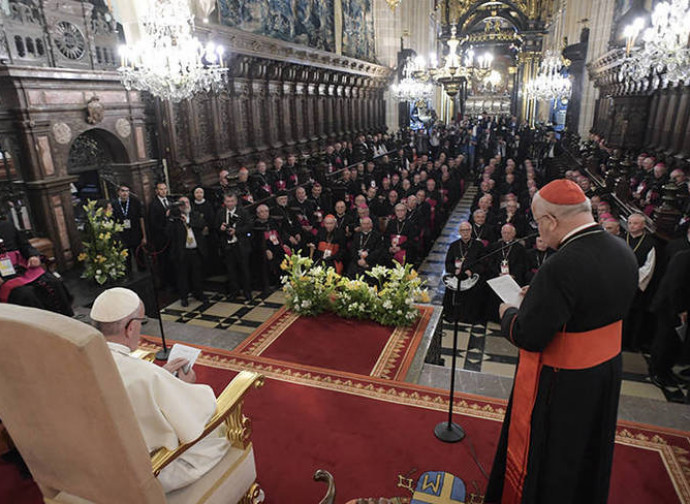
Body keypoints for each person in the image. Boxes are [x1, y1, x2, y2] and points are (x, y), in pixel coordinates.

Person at [485, 179, 638, 504]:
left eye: (539, 222)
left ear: (551, 221)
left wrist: (509, 311)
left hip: (562, 384)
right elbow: (587, 307)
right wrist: (540, 298)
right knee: (588, 451)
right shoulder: (621, 248)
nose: (539, 231)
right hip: (604, 372)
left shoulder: (561, 264)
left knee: (555, 458)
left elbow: (529, 335)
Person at [90, 287, 228, 492]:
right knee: (219, 436)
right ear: (129, 328)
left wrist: (161, 375)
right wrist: (184, 385)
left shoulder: (81, 361)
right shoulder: (146, 374)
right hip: (147, 473)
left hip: (96, 467)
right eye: (141, 322)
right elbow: (197, 414)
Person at [0, 218, 73, 315]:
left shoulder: (7, 225)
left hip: (20, 270)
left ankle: (65, 321)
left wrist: (33, 256)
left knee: (52, 282)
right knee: (25, 294)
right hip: (3, 279)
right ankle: (40, 328)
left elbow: (25, 246)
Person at [648, 249, 690, 387]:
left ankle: (666, 371)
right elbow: (675, 286)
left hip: (678, 308)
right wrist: (681, 309)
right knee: (664, 341)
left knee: (673, 343)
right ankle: (657, 373)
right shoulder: (684, 257)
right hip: (670, 307)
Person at [442, 221, 486, 324]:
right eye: (463, 230)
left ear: (471, 231)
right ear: (459, 232)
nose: (465, 232)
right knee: (450, 289)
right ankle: (452, 315)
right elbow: (448, 262)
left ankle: (468, 317)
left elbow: (483, 263)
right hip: (457, 275)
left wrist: (471, 271)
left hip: (471, 276)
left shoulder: (478, 245)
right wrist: (454, 270)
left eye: (467, 230)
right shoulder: (454, 245)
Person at [166, 197, 207, 307]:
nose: (185, 205)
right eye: (182, 203)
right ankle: (184, 297)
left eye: (187, 202)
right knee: (182, 276)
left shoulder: (195, 214)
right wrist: (169, 218)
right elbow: (168, 234)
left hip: (195, 251)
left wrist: (187, 221)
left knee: (197, 274)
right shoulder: (175, 218)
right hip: (182, 252)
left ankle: (198, 293)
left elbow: (201, 224)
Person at [215, 193, 253, 302]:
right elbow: (216, 228)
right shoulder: (220, 213)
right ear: (224, 202)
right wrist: (221, 229)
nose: (230, 203)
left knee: (244, 270)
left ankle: (247, 292)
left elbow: (249, 226)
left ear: (236, 202)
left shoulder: (243, 212)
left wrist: (236, 231)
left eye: (232, 201)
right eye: (227, 201)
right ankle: (234, 292)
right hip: (227, 246)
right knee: (231, 271)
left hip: (240, 245)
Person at [110, 184, 146, 272]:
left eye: (127, 191)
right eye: (122, 191)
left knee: (139, 256)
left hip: (135, 233)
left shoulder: (135, 202)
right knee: (126, 258)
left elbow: (141, 218)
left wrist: (144, 236)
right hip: (122, 235)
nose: (125, 193)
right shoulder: (114, 204)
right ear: (118, 192)